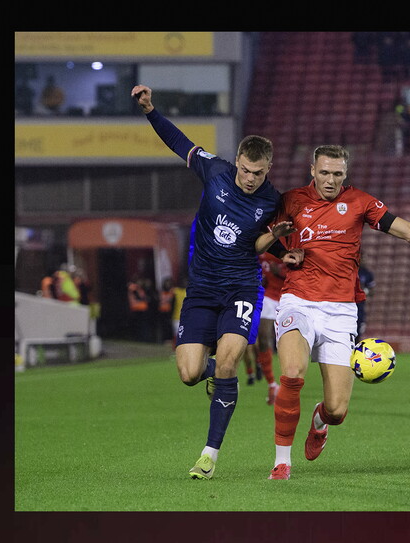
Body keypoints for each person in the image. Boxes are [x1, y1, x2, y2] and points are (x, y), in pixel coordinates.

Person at [258, 144, 410, 480]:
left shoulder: (360, 202)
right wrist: (282, 253)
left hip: (341, 310)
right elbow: (258, 235)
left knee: (337, 410)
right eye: (324, 172)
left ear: (346, 174)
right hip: (298, 300)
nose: (330, 180)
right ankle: (281, 462)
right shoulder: (290, 200)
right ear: (312, 170)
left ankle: (319, 421)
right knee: (294, 373)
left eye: (337, 174)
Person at [130, 84, 301, 480]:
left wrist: (279, 248)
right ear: (237, 160)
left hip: (242, 287)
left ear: (268, 169)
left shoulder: (271, 200)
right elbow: (179, 142)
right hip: (202, 289)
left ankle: (208, 456)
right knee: (190, 373)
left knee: (228, 361)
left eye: (258, 173)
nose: (250, 178)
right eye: (245, 169)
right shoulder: (216, 170)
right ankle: (217, 377)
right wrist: (150, 110)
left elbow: (254, 241)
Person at [255, 251, 287, 405]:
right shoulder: (261, 243)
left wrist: (280, 273)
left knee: (286, 343)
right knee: (263, 336)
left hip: (288, 297)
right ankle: (272, 384)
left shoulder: (288, 242)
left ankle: (289, 384)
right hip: (267, 296)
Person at [356, 256, 376, 343]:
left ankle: (355, 353)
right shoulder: (350, 271)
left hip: (360, 308)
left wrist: (364, 291)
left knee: (358, 333)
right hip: (347, 304)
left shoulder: (366, 273)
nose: (363, 260)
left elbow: (372, 291)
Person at [127, 274, 152, 341]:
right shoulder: (133, 287)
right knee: (139, 325)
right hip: (137, 309)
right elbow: (139, 297)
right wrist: (144, 298)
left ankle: (143, 338)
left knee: (143, 325)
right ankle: (139, 338)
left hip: (142, 309)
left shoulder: (140, 288)